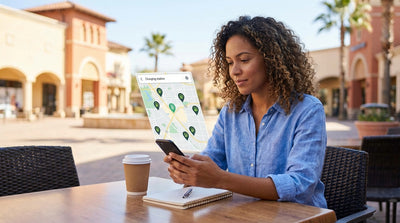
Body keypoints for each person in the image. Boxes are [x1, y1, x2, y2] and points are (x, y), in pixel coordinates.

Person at [164, 16, 327, 208]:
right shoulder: (231, 112)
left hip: (299, 217)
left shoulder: (307, 110)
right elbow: (212, 160)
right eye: (230, 62)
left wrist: (219, 179)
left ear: (272, 60)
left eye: (244, 60)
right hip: (244, 214)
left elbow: (299, 186)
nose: (234, 71)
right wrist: (189, 168)